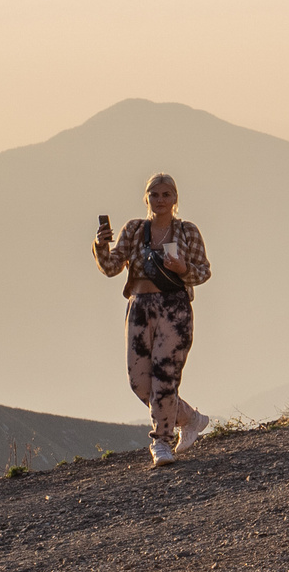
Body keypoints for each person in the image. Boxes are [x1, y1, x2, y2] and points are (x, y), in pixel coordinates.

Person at [91, 172, 213, 465]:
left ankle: (161, 442)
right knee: (139, 381)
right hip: (139, 308)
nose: (160, 200)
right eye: (155, 195)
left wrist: (183, 268)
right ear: (146, 198)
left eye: (166, 195)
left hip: (175, 308)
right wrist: (100, 245)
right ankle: (189, 417)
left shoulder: (187, 232)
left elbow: (204, 271)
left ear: (175, 199)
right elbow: (111, 268)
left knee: (165, 375)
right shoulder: (134, 230)